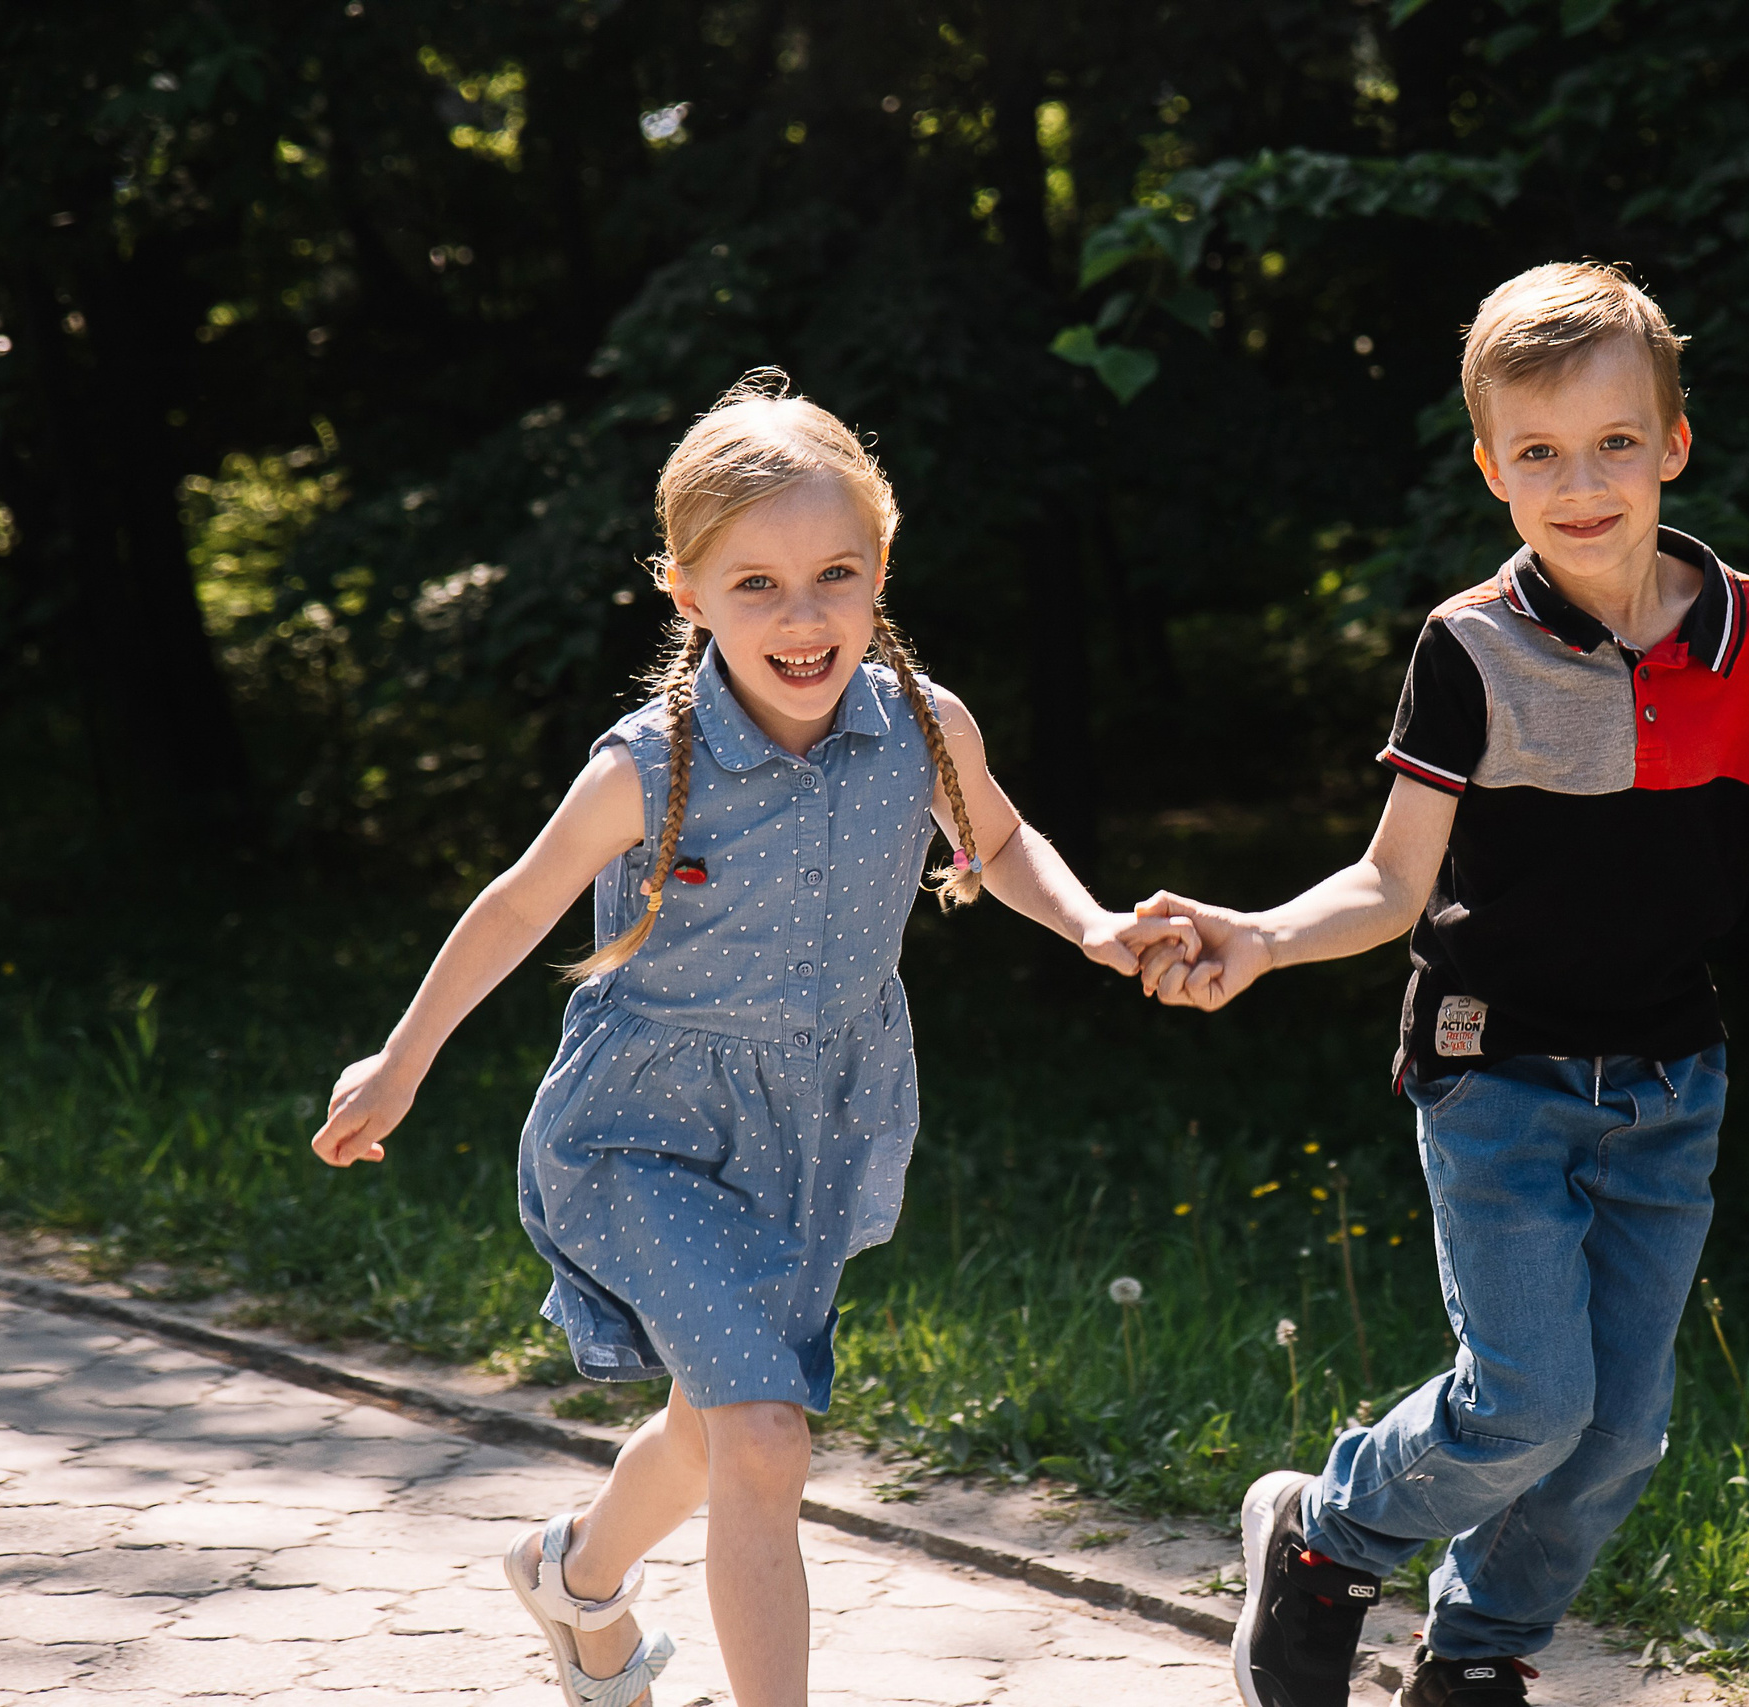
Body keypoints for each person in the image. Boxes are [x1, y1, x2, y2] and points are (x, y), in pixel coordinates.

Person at [1130, 263, 1749, 1707]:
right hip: (1495, 1068)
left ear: (1673, 446)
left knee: (1619, 1433)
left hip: (1669, 1081)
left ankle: (1472, 1663)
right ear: (1490, 469)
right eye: (1538, 455)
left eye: (1612, 445)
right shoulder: (1470, 646)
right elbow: (1396, 881)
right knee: (1526, 1402)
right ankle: (1327, 1543)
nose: (1579, 484)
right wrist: (1263, 935)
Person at [307, 370, 1190, 1707]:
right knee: (766, 1436)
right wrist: (401, 1062)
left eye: (835, 575)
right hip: (638, 1133)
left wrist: (1093, 926)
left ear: (880, 567)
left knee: (716, 1431)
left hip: (811, 1132)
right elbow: (512, 909)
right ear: (687, 590)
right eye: (758, 585)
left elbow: (998, 844)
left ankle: (574, 1577)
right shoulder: (643, 769)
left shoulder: (925, 727)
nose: (802, 616)